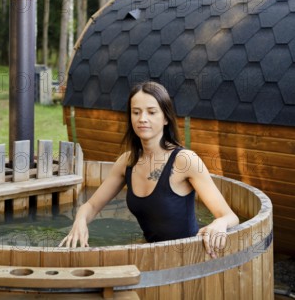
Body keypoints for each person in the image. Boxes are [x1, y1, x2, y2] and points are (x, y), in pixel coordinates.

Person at [59, 81, 239, 257]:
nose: (142, 119)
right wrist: (80, 220)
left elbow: (230, 216)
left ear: (166, 118)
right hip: (150, 255)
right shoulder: (126, 162)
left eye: (151, 112)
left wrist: (219, 223)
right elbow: (91, 205)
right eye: (136, 112)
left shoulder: (185, 161)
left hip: (189, 257)